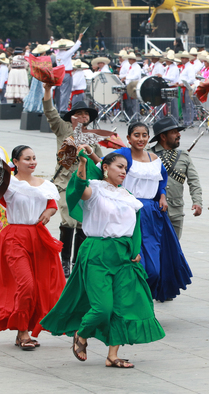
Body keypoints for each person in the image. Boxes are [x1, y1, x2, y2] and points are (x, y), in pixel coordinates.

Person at [40, 149, 165, 368]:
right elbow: (78, 188)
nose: (124, 171)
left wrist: (136, 250)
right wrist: (81, 163)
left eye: (126, 168)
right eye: (119, 166)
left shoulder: (127, 196)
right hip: (98, 252)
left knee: (122, 307)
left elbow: (135, 226)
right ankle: (82, 332)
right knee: (103, 307)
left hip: (124, 256)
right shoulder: (95, 189)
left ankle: (112, 356)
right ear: (105, 168)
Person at [110, 122, 193, 301]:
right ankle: (132, 304)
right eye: (136, 135)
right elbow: (104, 168)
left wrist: (162, 196)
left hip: (151, 215)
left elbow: (161, 181)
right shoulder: (122, 154)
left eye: (144, 135)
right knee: (135, 263)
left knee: (154, 269)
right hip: (127, 212)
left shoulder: (155, 159)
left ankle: (146, 300)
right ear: (129, 138)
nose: (140, 139)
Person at [0, 146, 65, 350]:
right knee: (25, 285)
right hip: (15, 238)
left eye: (34, 158)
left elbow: (52, 204)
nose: (32, 162)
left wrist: (49, 212)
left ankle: (24, 331)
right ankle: (22, 331)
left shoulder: (44, 184)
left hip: (39, 238)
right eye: (27, 158)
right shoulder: (8, 185)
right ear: (16, 162)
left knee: (41, 287)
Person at [42, 83, 104, 278]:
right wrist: (47, 90)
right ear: (72, 115)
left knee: (81, 224)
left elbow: (102, 163)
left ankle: (77, 261)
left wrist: (91, 152)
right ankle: (64, 262)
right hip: (64, 182)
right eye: (79, 113)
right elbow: (50, 112)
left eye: (86, 114)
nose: (83, 117)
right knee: (68, 220)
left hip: (84, 184)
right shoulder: (63, 128)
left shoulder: (92, 136)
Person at [149, 117, 203, 239]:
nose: (179, 135)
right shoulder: (148, 154)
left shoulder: (183, 155)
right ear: (163, 136)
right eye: (174, 132)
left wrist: (197, 202)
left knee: (174, 249)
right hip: (154, 209)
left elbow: (194, 181)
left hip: (176, 211)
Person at [54, 34, 84, 113]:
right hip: (66, 74)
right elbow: (75, 47)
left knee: (62, 91)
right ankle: (63, 108)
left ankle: (61, 107)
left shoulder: (57, 55)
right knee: (66, 92)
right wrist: (79, 38)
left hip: (60, 74)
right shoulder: (66, 53)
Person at [120, 52, 141, 121]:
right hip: (130, 85)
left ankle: (136, 116)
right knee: (130, 102)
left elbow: (136, 76)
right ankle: (132, 116)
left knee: (134, 102)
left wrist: (127, 77)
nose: (128, 60)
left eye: (129, 59)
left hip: (134, 85)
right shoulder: (131, 67)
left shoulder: (136, 66)